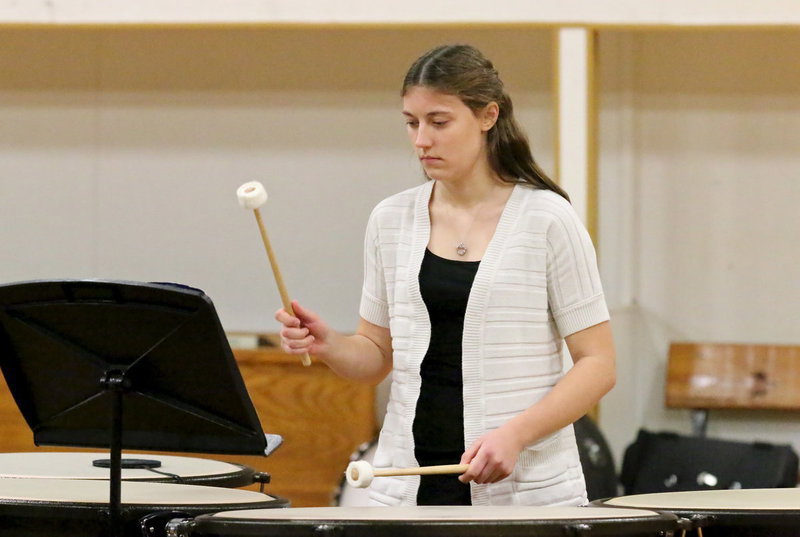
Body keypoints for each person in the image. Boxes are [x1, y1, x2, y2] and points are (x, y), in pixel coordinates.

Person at [275, 44, 616, 507]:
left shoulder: (548, 219)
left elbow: (598, 364)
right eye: (412, 123)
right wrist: (329, 344)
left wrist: (516, 434)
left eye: (439, 122)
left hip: (521, 487)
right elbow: (376, 356)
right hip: (408, 480)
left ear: (487, 116)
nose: (421, 140)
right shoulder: (390, 219)